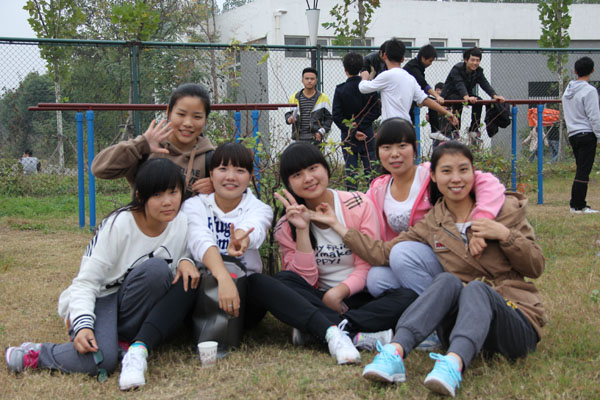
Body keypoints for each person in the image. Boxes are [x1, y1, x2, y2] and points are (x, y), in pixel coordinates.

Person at [313, 142, 546, 397]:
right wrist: (337, 225)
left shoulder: (504, 209)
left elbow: (535, 266)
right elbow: (383, 252)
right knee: (446, 281)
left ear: (474, 173)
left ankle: (453, 364)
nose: (456, 179)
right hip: (462, 321)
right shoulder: (435, 222)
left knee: (476, 289)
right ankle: (394, 352)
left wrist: (505, 235)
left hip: (514, 316)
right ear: (433, 176)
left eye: (463, 170)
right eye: (446, 171)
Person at [6, 158, 201, 391]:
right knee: (103, 361)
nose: (167, 202)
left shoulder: (181, 222)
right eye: (157, 195)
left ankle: (123, 343)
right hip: (101, 299)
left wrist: (186, 260)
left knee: (157, 272)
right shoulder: (118, 225)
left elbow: (187, 252)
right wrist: (83, 325)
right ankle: (36, 354)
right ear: (140, 196)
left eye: (173, 192)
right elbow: (86, 283)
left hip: (131, 305)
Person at [272, 142, 419, 365]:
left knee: (407, 296)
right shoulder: (286, 225)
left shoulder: (358, 204)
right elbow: (303, 281)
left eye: (313, 168)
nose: (308, 178)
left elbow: (368, 261)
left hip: (358, 295)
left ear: (325, 168)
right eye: (297, 175)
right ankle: (354, 331)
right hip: (316, 298)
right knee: (283, 280)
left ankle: (326, 328)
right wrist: (302, 230)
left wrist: (338, 292)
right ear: (289, 183)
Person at [363, 118, 506, 298]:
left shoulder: (431, 173)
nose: (394, 154)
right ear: (378, 152)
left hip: (444, 254)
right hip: (407, 261)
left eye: (402, 146)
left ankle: (444, 307)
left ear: (414, 148)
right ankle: (420, 309)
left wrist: (481, 221)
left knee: (401, 254)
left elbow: (488, 182)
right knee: (376, 279)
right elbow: (357, 214)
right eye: (386, 147)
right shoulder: (378, 188)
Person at [182, 142, 273, 325]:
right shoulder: (194, 206)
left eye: (240, 170)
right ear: (211, 174)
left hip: (243, 293)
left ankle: (328, 329)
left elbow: (253, 227)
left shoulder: (260, 209)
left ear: (250, 177)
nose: (231, 177)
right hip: (203, 289)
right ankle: (142, 340)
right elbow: (200, 239)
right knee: (182, 281)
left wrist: (241, 240)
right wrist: (223, 277)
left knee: (262, 282)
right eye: (223, 169)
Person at [92, 83, 215, 196]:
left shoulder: (211, 158)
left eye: (197, 117)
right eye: (181, 114)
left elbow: (225, 202)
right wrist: (141, 144)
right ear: (168, 112)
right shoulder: (146, 150)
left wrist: (217, 188)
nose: (188, 123)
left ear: (205, 119)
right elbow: (100, 170)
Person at [358, 38, 457, 126]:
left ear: (385, 56)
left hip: (390, 126)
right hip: (406, 126)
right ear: (403, 59)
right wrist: (447, 113)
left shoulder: (385, 76)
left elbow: (363, 88)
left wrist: (364, 77)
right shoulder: (410, 78)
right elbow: (425, 100)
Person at [332, 52, 381, 190]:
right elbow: (376, 110)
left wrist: (352, 128)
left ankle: (352, 197)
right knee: (371, 169)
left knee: (351, 170)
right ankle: (373, 196)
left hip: (348, 134)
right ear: (361, 68)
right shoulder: (368, 88)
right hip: (367, 133)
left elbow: (336, 115)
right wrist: (361, 124)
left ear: (345, 69)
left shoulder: (341, 90)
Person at [562, 56, 600, 214]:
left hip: (573, 134)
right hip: (586, 134)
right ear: (592, 70)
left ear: (575, 71)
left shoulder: (567, 91)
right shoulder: (589, 91)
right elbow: (594, 116)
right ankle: (578, 205)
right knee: (584, 171)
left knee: (581, 169)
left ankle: (577, 204)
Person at [441, 47, 505, 140]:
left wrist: (495, 96)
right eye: (472, 60)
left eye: (477, 60)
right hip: (450, 95)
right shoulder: (457, 69)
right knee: (458, 102)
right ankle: (455, 130)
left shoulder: (478, 71)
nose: (475, 63)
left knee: (479, 101)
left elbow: (485, 84)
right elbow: (459, 84)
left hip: (465, 95)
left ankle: (474, 129)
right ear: (466, 60)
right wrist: (466, 97)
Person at [284, 67, 333, 144]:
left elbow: (329, 118)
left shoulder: (323, 98)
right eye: (307, 78)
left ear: (316, 80)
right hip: (298, 139)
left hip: (315, 139)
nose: (309, 81)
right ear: (302, 80)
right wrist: (289, 119)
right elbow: (287, 114)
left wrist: (321, 132)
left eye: (312, 79)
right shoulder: (294, 97)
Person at [403, 44, 445, 134]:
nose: (430, 64)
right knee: (410, 120)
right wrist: (437, 96)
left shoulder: (419, 67)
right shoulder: (413, 67)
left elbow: (420, 87)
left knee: (432, 103)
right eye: (430, 61)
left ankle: (435, 131)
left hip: (412, 95)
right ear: (423, 58)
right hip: (405, 96)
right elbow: (423, 84)